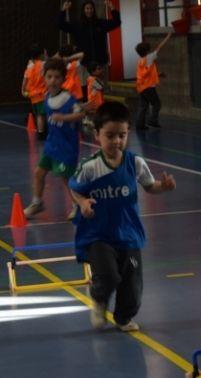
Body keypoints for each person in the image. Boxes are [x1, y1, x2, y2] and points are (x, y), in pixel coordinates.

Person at [69, 101, 176, 331]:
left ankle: (123, 317)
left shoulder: (135, 163)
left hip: (128, 233)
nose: (116, 141)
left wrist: (163, 187)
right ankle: (98, 297)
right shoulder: (89, 167)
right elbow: (74, 188)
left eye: (122, 135)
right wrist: (82, 202)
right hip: (98, 234)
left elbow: (150, 186)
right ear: (97, 135)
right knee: (108, 276)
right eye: (110, 136)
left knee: (132, 285)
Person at [24, 58, 85, 219]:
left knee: (66, 177)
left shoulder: (67, 98)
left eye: (57, 77)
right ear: (44, 78)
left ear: (63, 79)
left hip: (66, 145)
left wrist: (64, 118)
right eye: (49, 76)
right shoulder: (46, 97)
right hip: (52, 144)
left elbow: (80, 113)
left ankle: (77, 205)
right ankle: (37, 203)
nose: (53, 80)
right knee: (39, 173)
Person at [57, 1, 121, 101]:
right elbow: (60, 24)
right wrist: (63, 10)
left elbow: (117, 22)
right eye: (87, 8)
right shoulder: (77, 25)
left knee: (100, 90)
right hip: (84, 63)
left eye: (91, 8)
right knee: (86, 90)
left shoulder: (101, 23)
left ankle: (100, 107)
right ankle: (88, 107)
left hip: (100, 63)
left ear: (93, 10)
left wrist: (112, 8)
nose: (89, 10)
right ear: (83, 10)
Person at [135, 30, 171, 130]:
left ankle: (139, 124)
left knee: (143, 106)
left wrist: (158, 74)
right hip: (148, 87)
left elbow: (146, 74)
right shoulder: (149, 58)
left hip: (141, 86)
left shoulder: (140, 61)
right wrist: (168, 36)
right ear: (147, 51)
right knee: (157, 104)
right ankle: (152, 121)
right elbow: (160, 47)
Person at [21, 44, 47, 140]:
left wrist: (23, 90)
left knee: (39, 115)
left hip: (33, 95)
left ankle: (41, 133)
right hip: (42, 93)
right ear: (41, 55)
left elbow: (25, 80)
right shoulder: (43, 64)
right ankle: (45, 132)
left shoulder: (29, 66)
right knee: (45, 114)